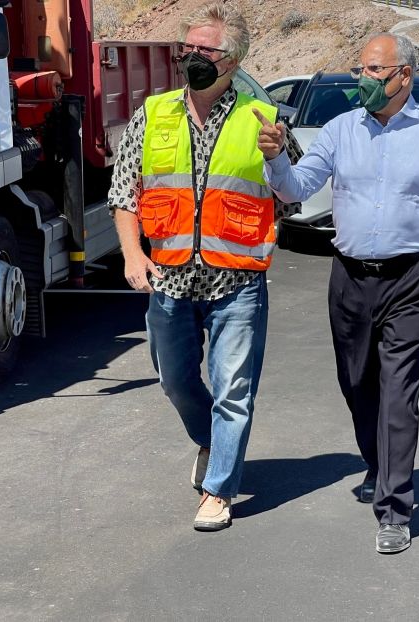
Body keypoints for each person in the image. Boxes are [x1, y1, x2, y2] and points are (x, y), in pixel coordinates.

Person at [255, 33, 419, 554]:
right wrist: (275, 159)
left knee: (398, 390)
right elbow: (296, 188)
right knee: (357, 381)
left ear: (405, 75)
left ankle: (395, 508)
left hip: (414, 277)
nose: (363, 79)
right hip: (350, 277)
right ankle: (378, 463)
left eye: (375, 71)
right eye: (361, 68)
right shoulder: (340, 130)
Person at [109, 2, 298, 531]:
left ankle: (219, 490)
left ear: (232, 61)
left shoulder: (262, 119)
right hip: (169, 278)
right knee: (174, 380)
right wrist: (132, 253)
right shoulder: (154, 113)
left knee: (234, 390)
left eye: (204, 50)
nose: (191, 56)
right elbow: (124, 191)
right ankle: (211, 441)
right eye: (187, 48)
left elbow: (293, 196)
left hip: (237, 281)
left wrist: (278, 155)